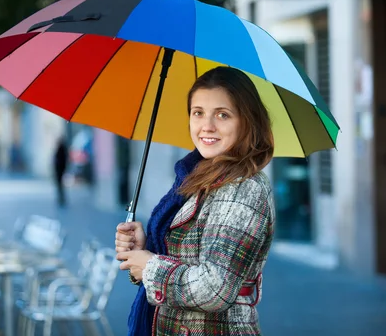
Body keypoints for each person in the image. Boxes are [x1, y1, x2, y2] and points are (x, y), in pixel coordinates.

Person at [115, 66, 275, 336]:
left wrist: (150, 266)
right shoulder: (198, 177)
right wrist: (144, 250)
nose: (207, 126)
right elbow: (183, 259)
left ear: (247, 121)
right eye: (198, 112)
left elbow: (215, 289)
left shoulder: (244, 188)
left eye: (222, 115)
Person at [53, 136, 68, 205]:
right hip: (59, 170)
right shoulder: (61, 148)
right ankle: (61, 199)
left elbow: (62, 160)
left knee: (60, 185)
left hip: (60, 170)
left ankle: (62, 199)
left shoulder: (61, 148)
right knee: (59, 186)